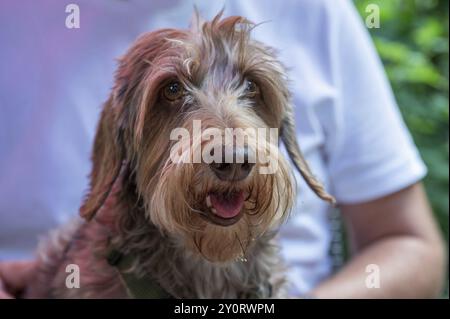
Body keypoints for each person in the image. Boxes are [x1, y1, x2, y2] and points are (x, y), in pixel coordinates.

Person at [0, 0, 445, 298]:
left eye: (252, 89)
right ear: (118, 141)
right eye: (172, 92)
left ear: (283, 131)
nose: (231, 147)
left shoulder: (318, 9)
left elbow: (410, 243)